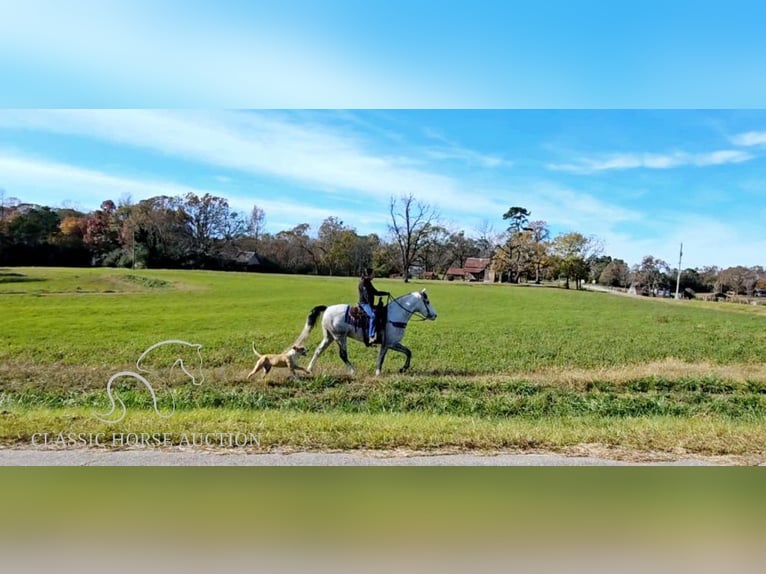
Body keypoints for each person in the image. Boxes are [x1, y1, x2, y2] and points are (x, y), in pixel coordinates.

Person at [358, 267, 389, 344]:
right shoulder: (363, 283)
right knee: (373, 315)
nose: (374, 275)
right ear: (368, 275)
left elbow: (376, 292)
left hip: (369, 304)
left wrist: (386, 293)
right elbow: (366, 296)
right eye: (373, 273)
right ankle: (371, 336)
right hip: (364, 304)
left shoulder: (368, 282)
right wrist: (371, 307)